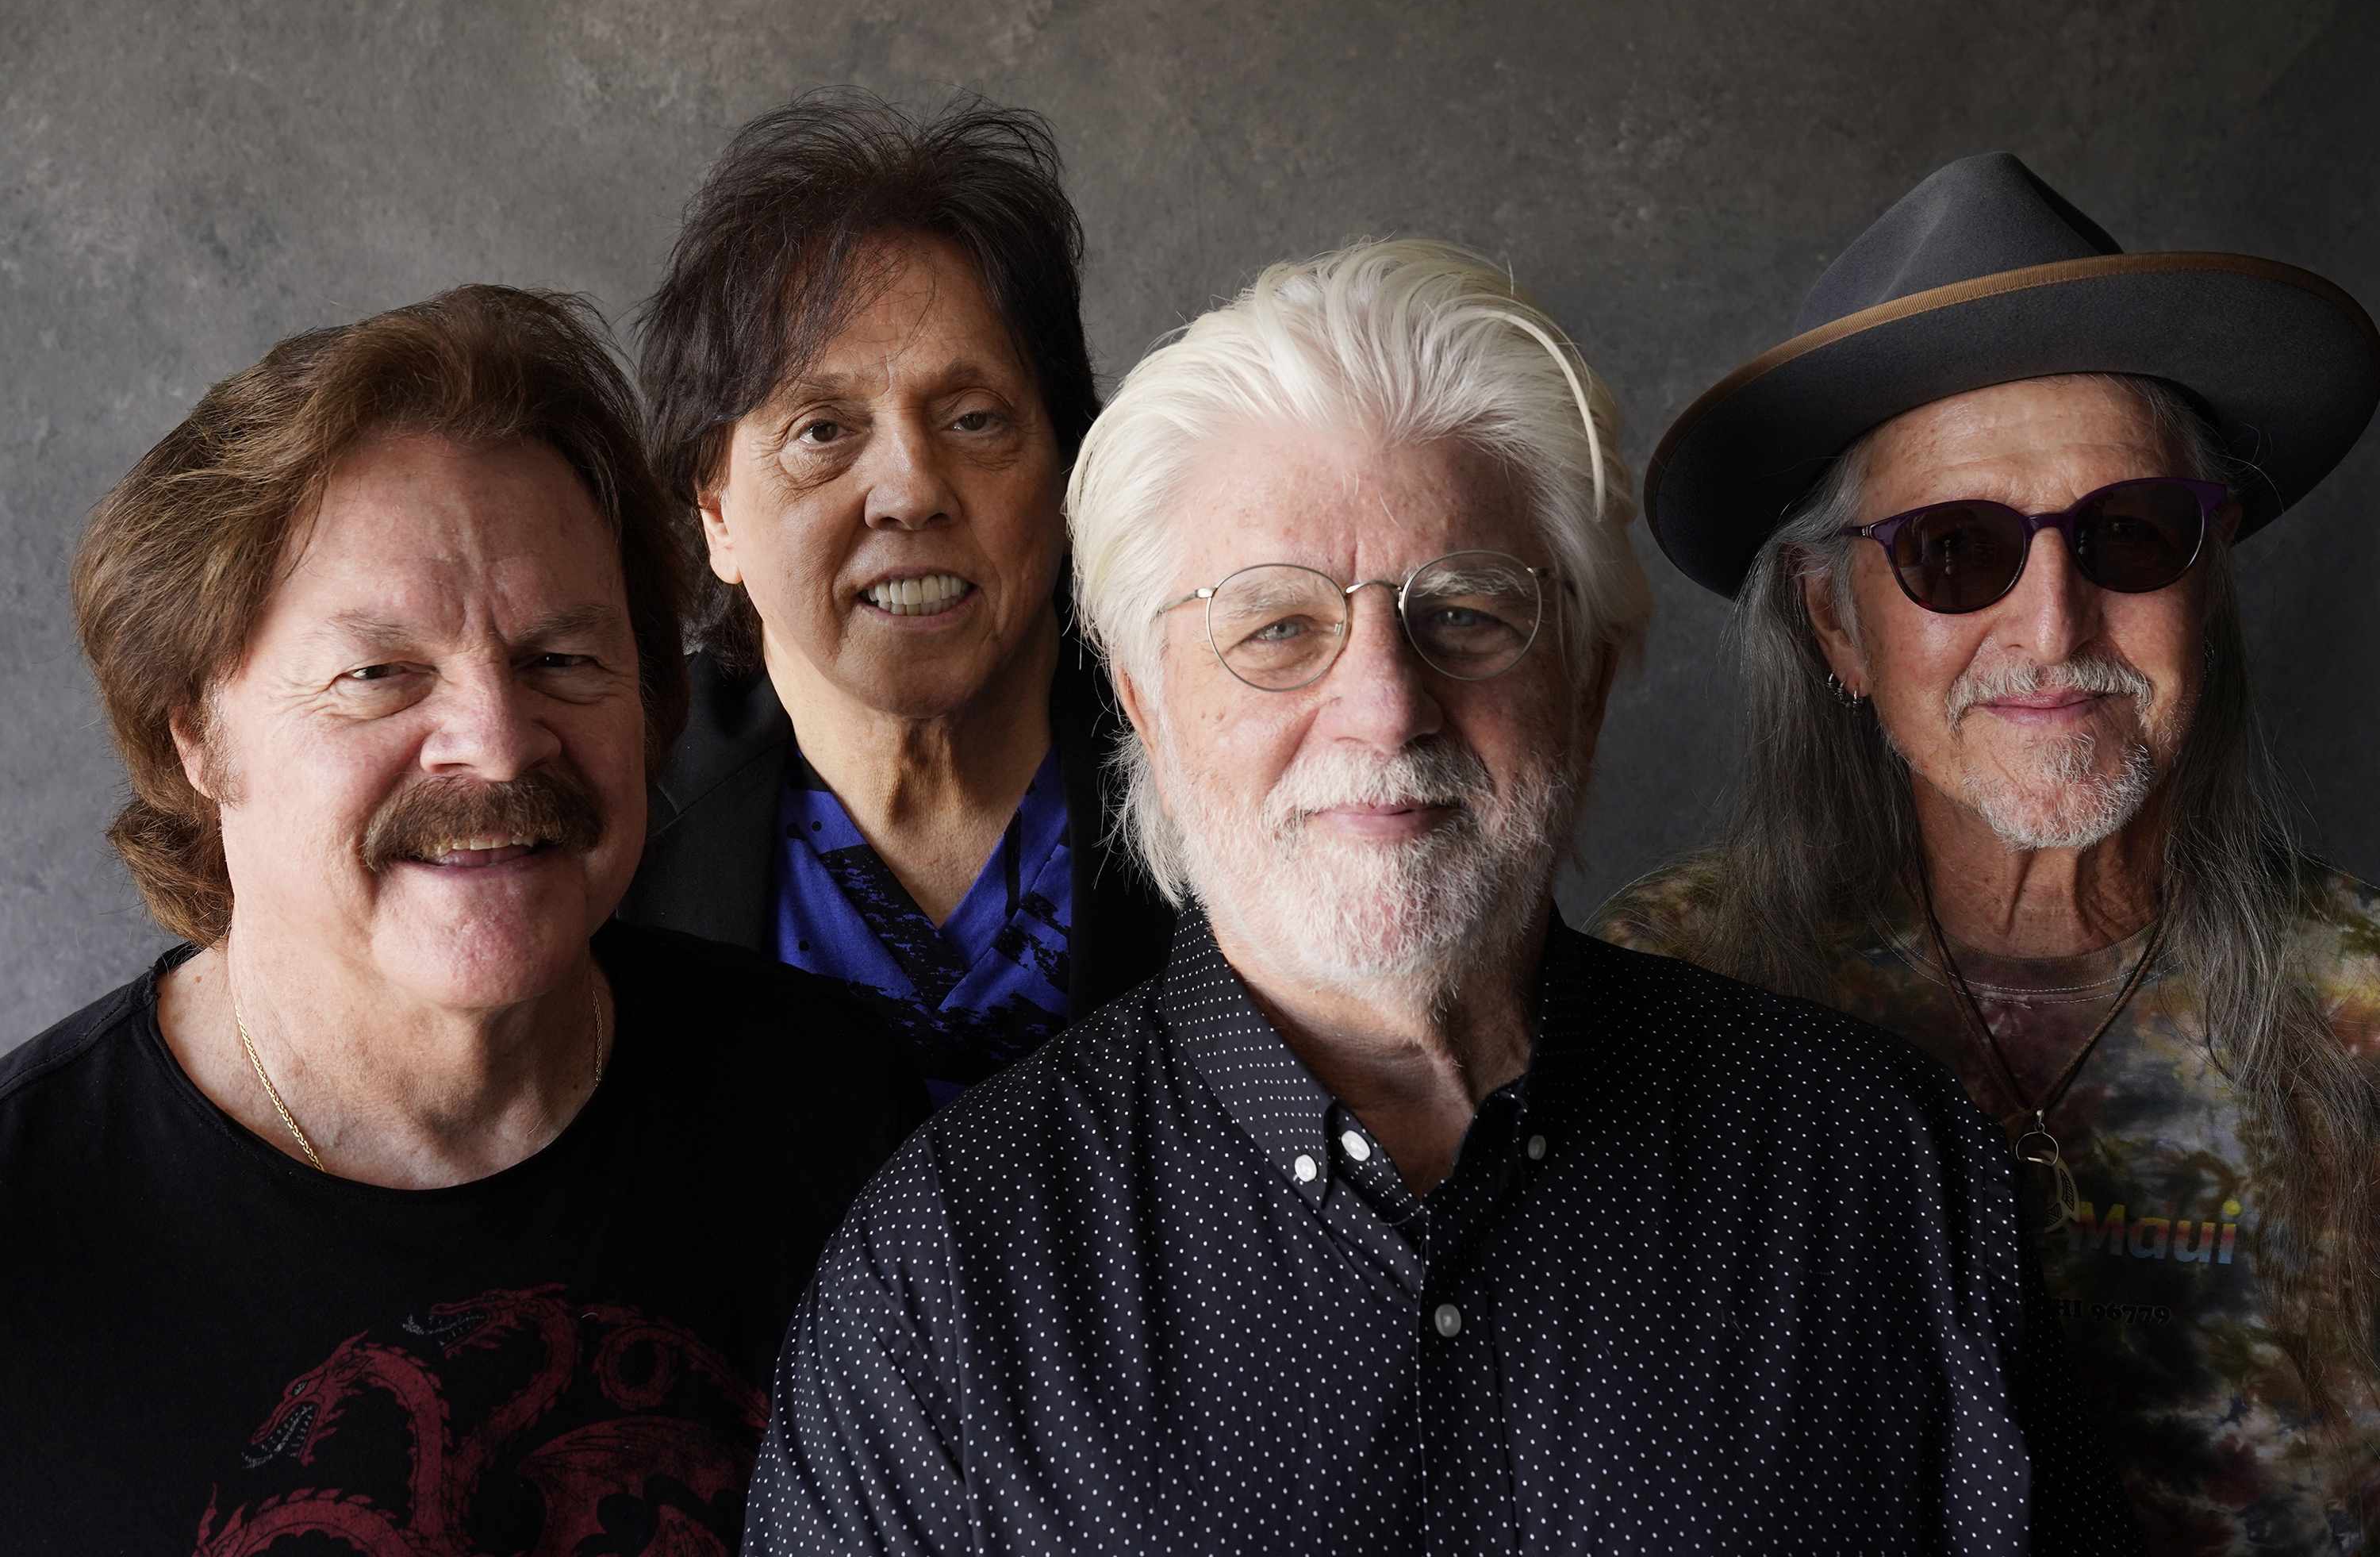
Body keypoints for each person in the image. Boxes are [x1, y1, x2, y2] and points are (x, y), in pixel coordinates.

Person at [741, 240, 2138, 1554]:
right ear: (1149, 710)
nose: (1382, 706)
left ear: (1585, 692)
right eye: (1278, 626)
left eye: (1464, 614)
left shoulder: (1881, 1177)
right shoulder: (940, 1289)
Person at [0, 286, 924, 1552]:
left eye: (562, 659)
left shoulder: (841, 1121)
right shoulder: (28, 1236)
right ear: (198, 735)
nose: (496, 742)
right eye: (381, 674)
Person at [1594, 153, 2380, 1547]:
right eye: (1957, 551)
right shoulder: (1664, 998)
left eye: (2129, 535)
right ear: (1836, 623)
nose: (2055, 628)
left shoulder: (2364, 1019)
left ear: (2208, 582)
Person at [624, 93, 1174, 1105]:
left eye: (974, 418)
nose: (913, 488)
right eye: (823, 430)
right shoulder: (608, 819)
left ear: (1065, 466)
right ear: (718, 516)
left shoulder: (1216, 761)